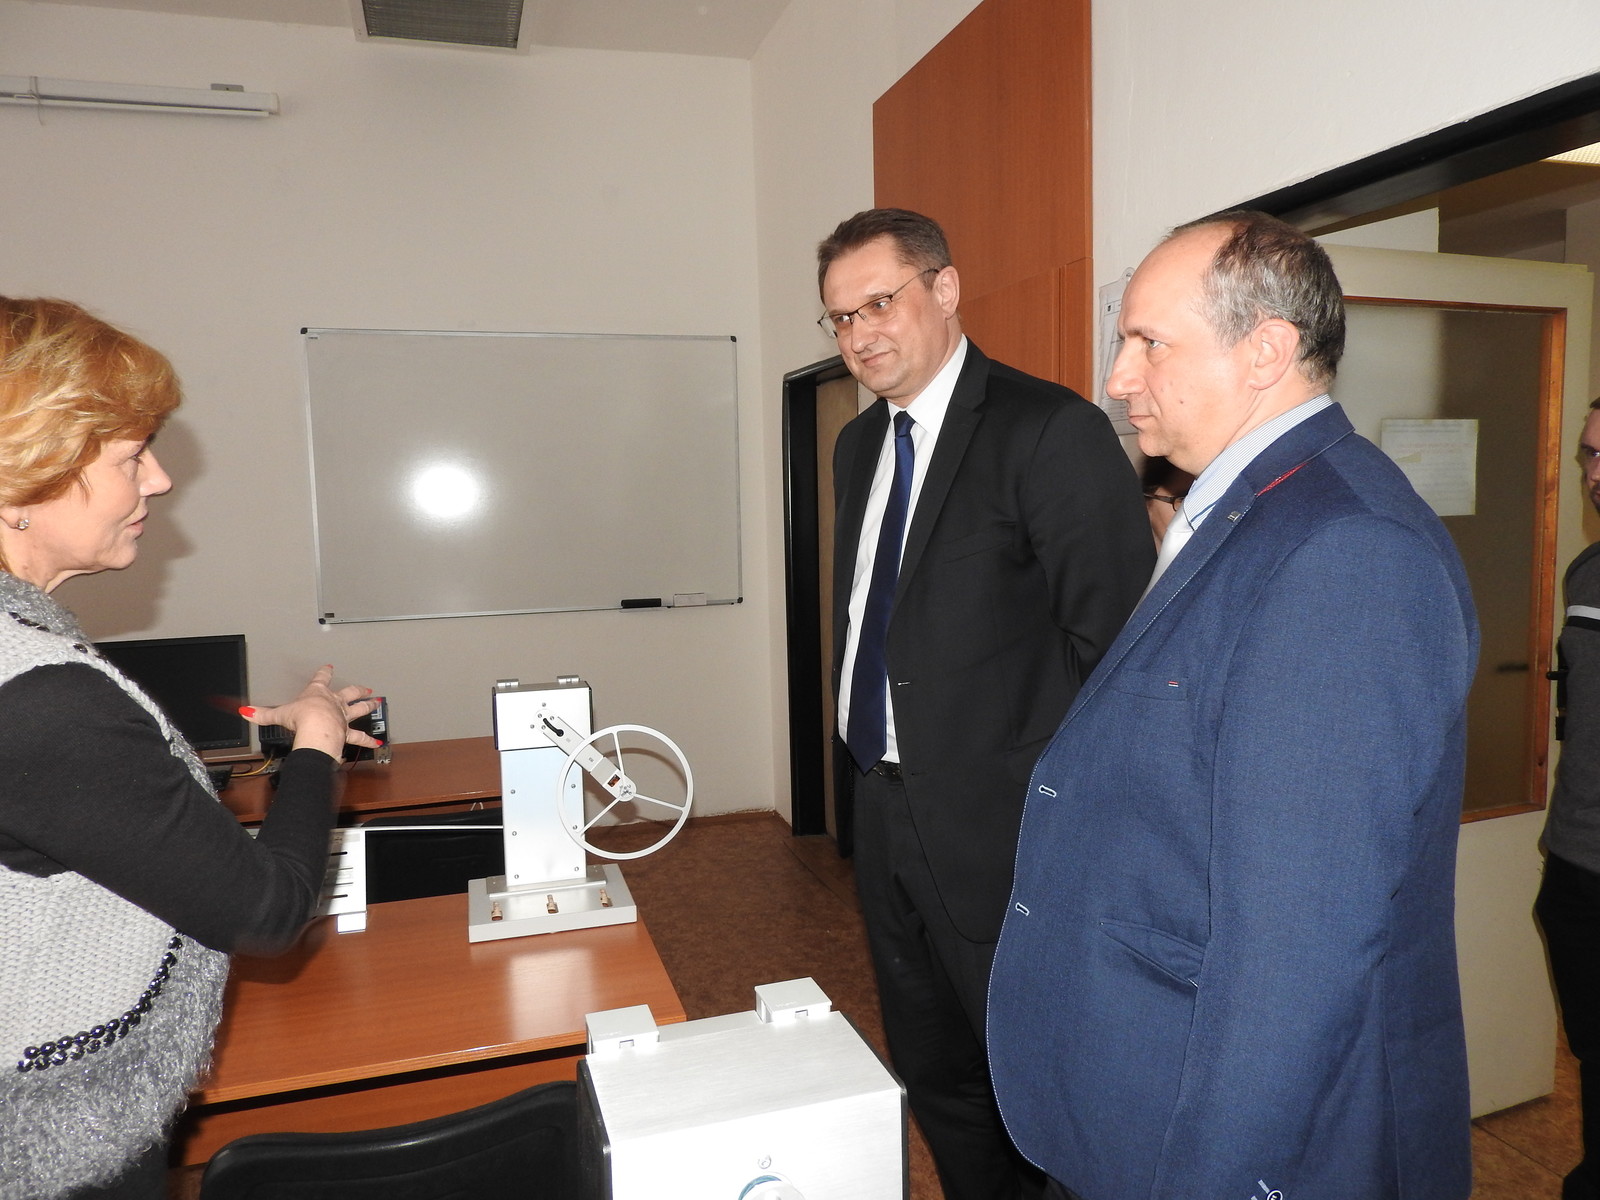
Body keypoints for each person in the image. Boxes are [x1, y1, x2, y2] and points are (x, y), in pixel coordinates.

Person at [987, 211, 1479, 1200]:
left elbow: (1299, 950)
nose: (1118, 378)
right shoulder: (1249, 508)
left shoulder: (1347, 553)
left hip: (1227, 1133)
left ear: (1264, 352)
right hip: (1145, 1078)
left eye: (1149, 343)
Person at [0, 297, 380, 1199]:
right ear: (18, 485)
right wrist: (317, 745)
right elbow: (266, 912)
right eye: (130, 458)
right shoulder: (40, 696)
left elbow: (86, 810)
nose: (161, 481)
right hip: (59, 1136)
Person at [818, 208, 1152, 1200]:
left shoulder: (1046, 430)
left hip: (1005, 830)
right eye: (840, 318)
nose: (860, 334)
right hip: (882, 810)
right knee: (933, 1071)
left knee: (1031, 1083)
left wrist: (1064, 821)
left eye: (880, 302)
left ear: (946, 288)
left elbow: (1116, 656)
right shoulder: (857, 447)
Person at [1538, 396, 1600, 1200]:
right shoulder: (1586, 574)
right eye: (1589, 453)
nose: (1596, 472)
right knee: (1591, 1050)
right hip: (1576, 864)